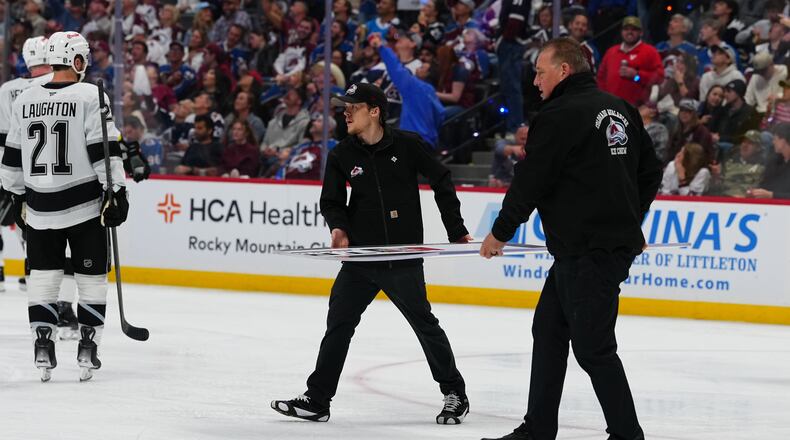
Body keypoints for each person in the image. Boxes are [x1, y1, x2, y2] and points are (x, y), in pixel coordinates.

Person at [479, 37, 661, 440]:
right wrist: (631, 219)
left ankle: (628, 435)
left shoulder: (558, 113)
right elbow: (651, 170)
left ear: (564, 70)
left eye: (541, 72)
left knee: (593, 348)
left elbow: (531, 181)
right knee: (548, 330)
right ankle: (539, 427)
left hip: (589, 252)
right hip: (582, 251)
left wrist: (499, 233)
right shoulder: (621, 108)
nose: (536, 81)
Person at [271, 83, 472, 425]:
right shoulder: (342, 154)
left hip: (401, 259)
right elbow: (332, 201)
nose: (345, 112)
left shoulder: (407, 145)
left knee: (424, 325)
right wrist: (339, 228)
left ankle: (455, 392)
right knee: (338, 325)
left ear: (375, 110)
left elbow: (441, 178)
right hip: (361, 259)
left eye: (353, 106)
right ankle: (318, 399)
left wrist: (455, 228)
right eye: (344, 107)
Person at [0, 31, 129, 382]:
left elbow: (12, 155)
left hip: (38, 206)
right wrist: (116, 190)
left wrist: (13, 193)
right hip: (84, 205)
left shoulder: (24, 99)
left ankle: (43, 344)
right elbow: (102, 148)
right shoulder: (90, 94)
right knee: (91, 279)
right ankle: (88, 348)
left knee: (42, 279)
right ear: (76, 60)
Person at [0, 36, 54, 293]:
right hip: (48, 167)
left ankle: (0, 269)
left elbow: (2, 135)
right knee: (36, 220)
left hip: (9, 164)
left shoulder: (7, 89)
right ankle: (32, 269)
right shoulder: (62, 84)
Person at [597, 16, 664, 106]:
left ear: (641, 32)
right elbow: (601, 77)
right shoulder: (611, 51)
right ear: (621, 32)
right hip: (611, 107)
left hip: (637, 109)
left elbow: (660, 77)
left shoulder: (650, 51)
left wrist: (637, 75)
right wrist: (604, 99)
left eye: (634, 29)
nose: (629, 32)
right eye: (626, 29)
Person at [708, 130, 766, 197]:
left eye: (750, 143)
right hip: (723, 199)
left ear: (758, 148)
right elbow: (715, 187)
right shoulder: (728, 162)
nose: (745, 145)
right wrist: (715, 177)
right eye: (744, 142)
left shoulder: (762, 167)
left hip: (745, 202)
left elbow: (758, 191)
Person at [748, 122, 790, 199]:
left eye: (775, 139)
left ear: (783, 141)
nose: (773, 142)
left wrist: (772, 195)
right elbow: (766, 184)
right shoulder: (774, 160)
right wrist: (756, 192)